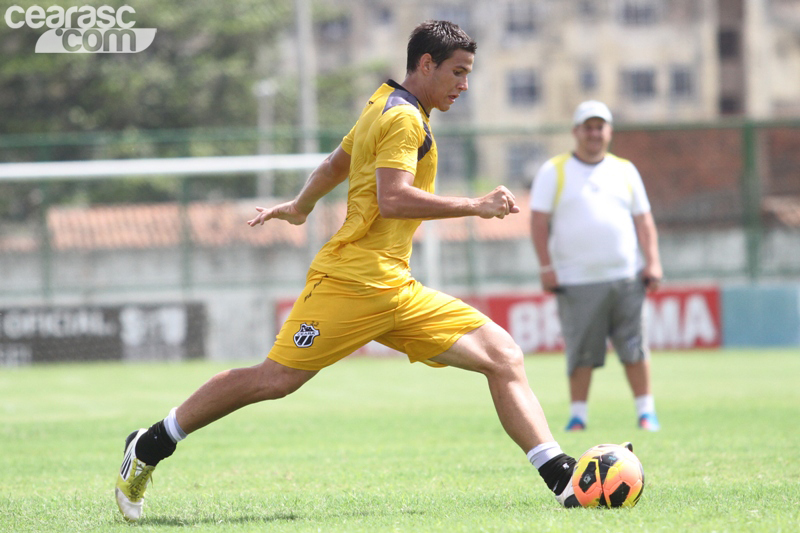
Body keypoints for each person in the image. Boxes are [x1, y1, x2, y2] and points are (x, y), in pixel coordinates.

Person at [115, 20, 588, 521]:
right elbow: (393, 198)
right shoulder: (402, 118)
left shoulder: (383, 102)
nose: (465, 85)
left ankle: (560, 477)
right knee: (274, 380)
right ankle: (151, 443)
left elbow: (336, 163)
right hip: (351, 282)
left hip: (396, 286)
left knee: (502, 355)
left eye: (468, 73)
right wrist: (475, 205)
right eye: (458, 72)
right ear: (426, 64)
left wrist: (301, 205)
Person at [529, 100, 663, 433]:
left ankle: (646, 413)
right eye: (587, 127)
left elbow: (644, 220)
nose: (594, 133)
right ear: (576, 131)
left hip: (626, 276)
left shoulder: (625, 170)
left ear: (609, 131)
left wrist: (653, 262)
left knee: (634, 347)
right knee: (581, 351)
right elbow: (538, 222)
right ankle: (578, 415)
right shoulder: (554, 170)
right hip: (576, 280)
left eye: (599, 127)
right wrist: (546, 268)